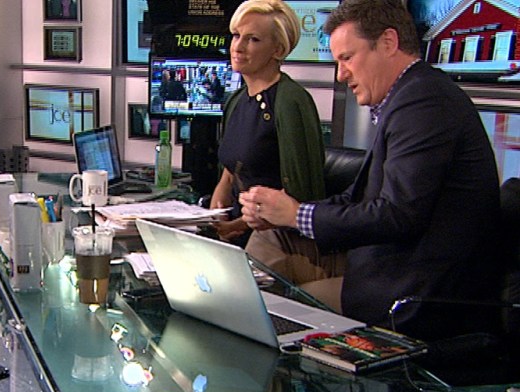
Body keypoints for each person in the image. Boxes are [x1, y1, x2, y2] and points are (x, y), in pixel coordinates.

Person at [240, 0, 500, 340]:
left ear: (388, 43)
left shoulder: (425, 101)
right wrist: (286, 214)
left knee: (277, 307)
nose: (341, 74)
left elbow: (399, 214)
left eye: (347, 58)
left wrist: (296, 214)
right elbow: (359, 198)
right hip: (384, 266)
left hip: (418, 294)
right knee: (270, 239)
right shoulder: (409, 97)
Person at [210, 0, 337, 291]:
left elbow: (301, 194)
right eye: (237, 36)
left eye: (253, 39)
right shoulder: (236, 100)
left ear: (278, 50)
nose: (238, 46)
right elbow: (233, 165)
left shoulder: (290, 101)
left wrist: (238, 225)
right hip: (234, 231)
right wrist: (220, 195)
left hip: (276, 240)